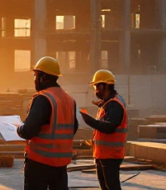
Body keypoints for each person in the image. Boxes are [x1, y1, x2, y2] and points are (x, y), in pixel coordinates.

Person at [17, 56, 78, 190]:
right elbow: (73, 128)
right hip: (61, 164)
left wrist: (18, 129)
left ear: (43, 77)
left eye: (35, 75)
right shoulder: (68, 99)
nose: (34, 80)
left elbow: (29, 131)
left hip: (40, 162)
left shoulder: (43, 99)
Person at [79, 70, 127, 190]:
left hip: (110, 155)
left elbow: (108, 127)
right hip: (103, 154)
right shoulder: (107, 104)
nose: (95, 90)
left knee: (112, 187)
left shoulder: (114, 105)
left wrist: (86, 119)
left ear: (103, 85)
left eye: (96, 86)